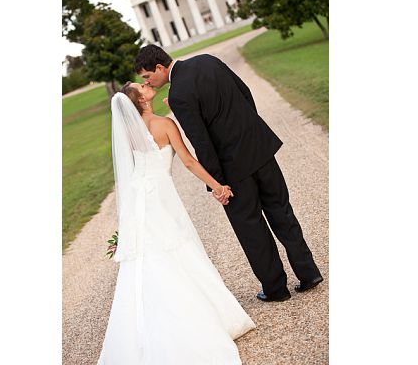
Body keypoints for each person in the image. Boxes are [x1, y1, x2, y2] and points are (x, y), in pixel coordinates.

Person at [134, 45, 323, 303]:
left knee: (251, 229)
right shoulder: (207, 60)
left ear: (159, 67)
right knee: (282, 211)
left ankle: (276, 288)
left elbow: (201, 142)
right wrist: (251, 131)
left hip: (233, 170)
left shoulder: (178, 94)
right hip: (260, 148)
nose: (147, 81)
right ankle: (309, 272)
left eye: (146, 76)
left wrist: (217, 184)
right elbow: (245, 93)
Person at [96, 82, 255, 365]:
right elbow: (189, 162)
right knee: (176, 248)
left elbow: (130, 171)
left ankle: (145, 327)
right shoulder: (164, 124)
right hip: (160, 196)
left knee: (148, 258)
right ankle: (196, 319)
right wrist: (218, 187)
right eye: (140, 87)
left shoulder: (128, 131)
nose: (145, 85)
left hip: (140, 201)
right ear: (141, 100)